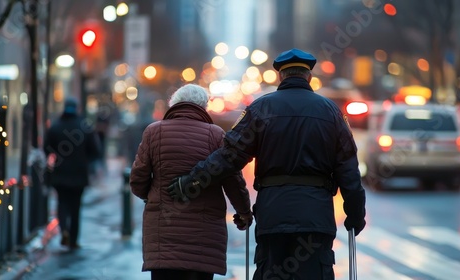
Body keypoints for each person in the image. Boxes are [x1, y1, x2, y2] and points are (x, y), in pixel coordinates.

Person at [167, 49, 366, 279]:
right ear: (308, 76)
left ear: (281, 76)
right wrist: (355, 214)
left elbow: (229, 157)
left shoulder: (261, 109)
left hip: (274, 215)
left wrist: (191, 182)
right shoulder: (330, 112)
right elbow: (348, 170)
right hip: (315, 218)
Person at [129, 84, 252, 280]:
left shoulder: (153, 132)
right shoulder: (216, 134)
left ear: (174, 105)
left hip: (163, 233)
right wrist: (244, 211)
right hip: (203, 236)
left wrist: (154, 196)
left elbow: (137, 180)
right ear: (203, 107)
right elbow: (232, 179)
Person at [44, 96, 101, 250]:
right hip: (79, 174)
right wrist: (86, 162)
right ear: (77, 108)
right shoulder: (84, 126)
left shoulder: (55, 126)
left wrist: (54, 159)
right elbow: (96, 150)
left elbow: (46, 148)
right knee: (76, 207)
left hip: (60, 173)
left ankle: (64, 231)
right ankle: (73, 240)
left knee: (62, 203)